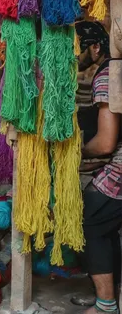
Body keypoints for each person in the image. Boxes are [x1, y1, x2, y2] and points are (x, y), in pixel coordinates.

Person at [73, 21, 122, 314]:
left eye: (77, 48)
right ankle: (112, 292)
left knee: (89, 217)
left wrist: (76, 152)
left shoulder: (107, 77)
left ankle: (105, 304)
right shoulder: (116, 68)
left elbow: (105, 144)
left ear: (95, 47)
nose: (75, 56)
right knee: (106, 221)